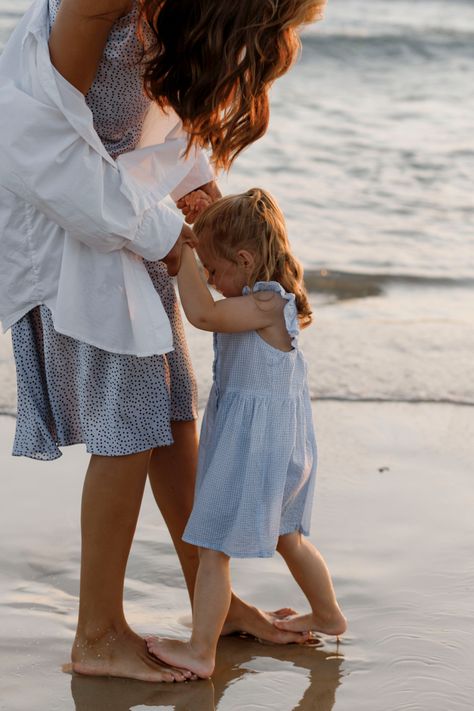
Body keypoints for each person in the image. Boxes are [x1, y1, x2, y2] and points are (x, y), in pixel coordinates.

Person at [0, 0, 326, 683]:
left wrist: (215, 223)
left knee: (173, 407)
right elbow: (34, 144)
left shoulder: (170, 14)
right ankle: (97, 633)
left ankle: (216, 600)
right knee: (131, 416)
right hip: (71, 228)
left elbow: (162, 135)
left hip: (127, 219)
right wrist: (164, 235)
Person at [146, 188, 347, 678]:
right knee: (288, 538)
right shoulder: (271, 303)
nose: (211, 283)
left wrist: (185, 251)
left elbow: (202, 315)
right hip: (279, 445)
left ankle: (201, 651)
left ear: (245, 258)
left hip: (255, 449)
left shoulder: (263, 304)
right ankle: (327, 615)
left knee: (212, 547)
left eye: (216, 273)